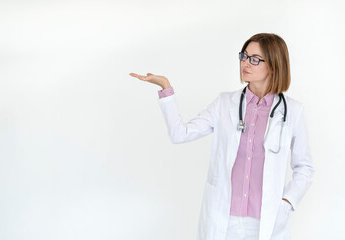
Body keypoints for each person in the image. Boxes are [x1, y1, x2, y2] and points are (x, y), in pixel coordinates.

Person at [129, 33, 315, 240]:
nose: (245, 63)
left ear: (273, 65)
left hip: (267, 218)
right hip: (224, 218)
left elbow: (304, 167)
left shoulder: (293, 111)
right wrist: (165, 88)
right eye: (244, 56)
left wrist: (287, 202)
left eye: (255, 59)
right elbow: (179, 134)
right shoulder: (224, 103)